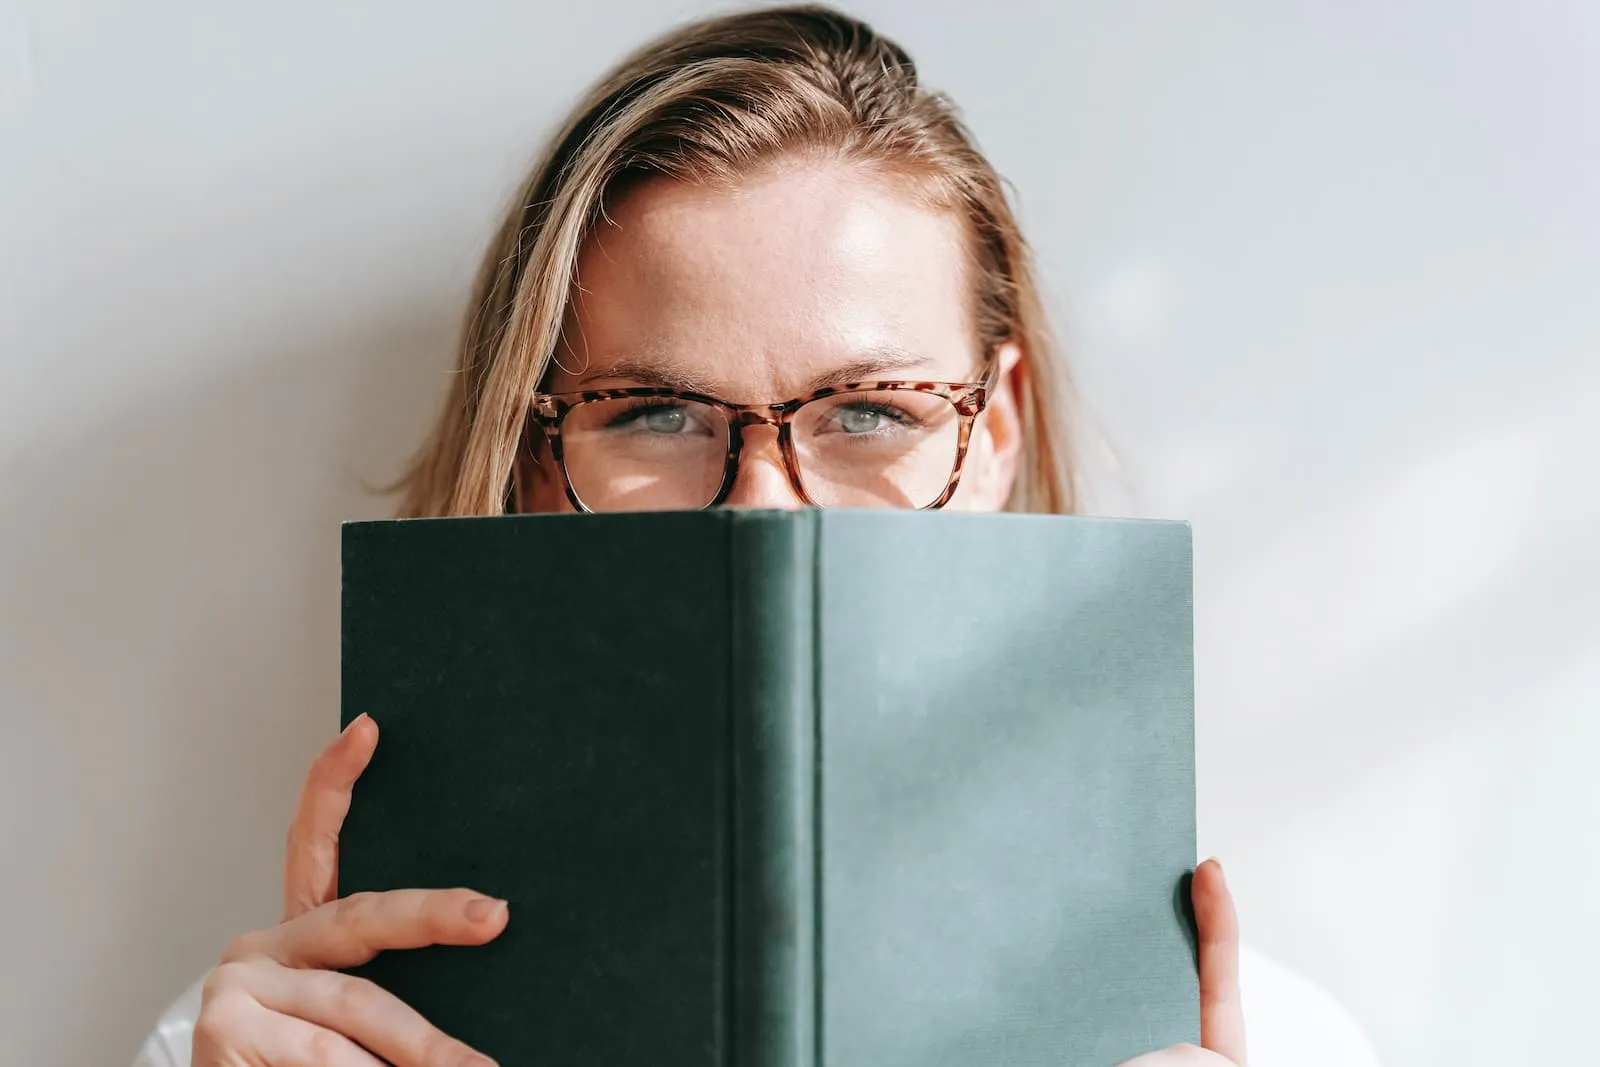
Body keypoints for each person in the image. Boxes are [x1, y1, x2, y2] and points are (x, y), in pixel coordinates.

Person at [132, 6, 1384, 1066]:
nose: (763, 509)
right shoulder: (266, 1042)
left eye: (871, 410)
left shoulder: (1265, 1043)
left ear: (994, 429)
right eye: (656, 411)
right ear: (529, 452)